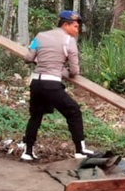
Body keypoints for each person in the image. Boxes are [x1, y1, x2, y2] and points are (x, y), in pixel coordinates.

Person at [15, 10, 94, 162]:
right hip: (51, 83)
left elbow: (28, 58)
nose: (77, 31)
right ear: (65, 25)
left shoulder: (39, 36)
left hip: (36, 82)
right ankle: (80, 150)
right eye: (75, 27)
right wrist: (64, 70)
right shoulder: (69, 41)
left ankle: (28, 151)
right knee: (74, 111)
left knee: (36, 116)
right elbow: (75, 71)